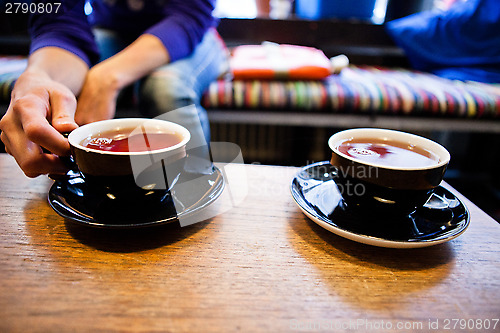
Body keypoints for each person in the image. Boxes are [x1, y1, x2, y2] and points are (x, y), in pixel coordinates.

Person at [0, 0, 228, 178]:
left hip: (191, 32)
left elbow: (189, 16)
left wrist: (106, 77)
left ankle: (194, 187)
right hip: (111, 31)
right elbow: (60, 22)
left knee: (164, 89)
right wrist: (39, 77)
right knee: (67, 92)